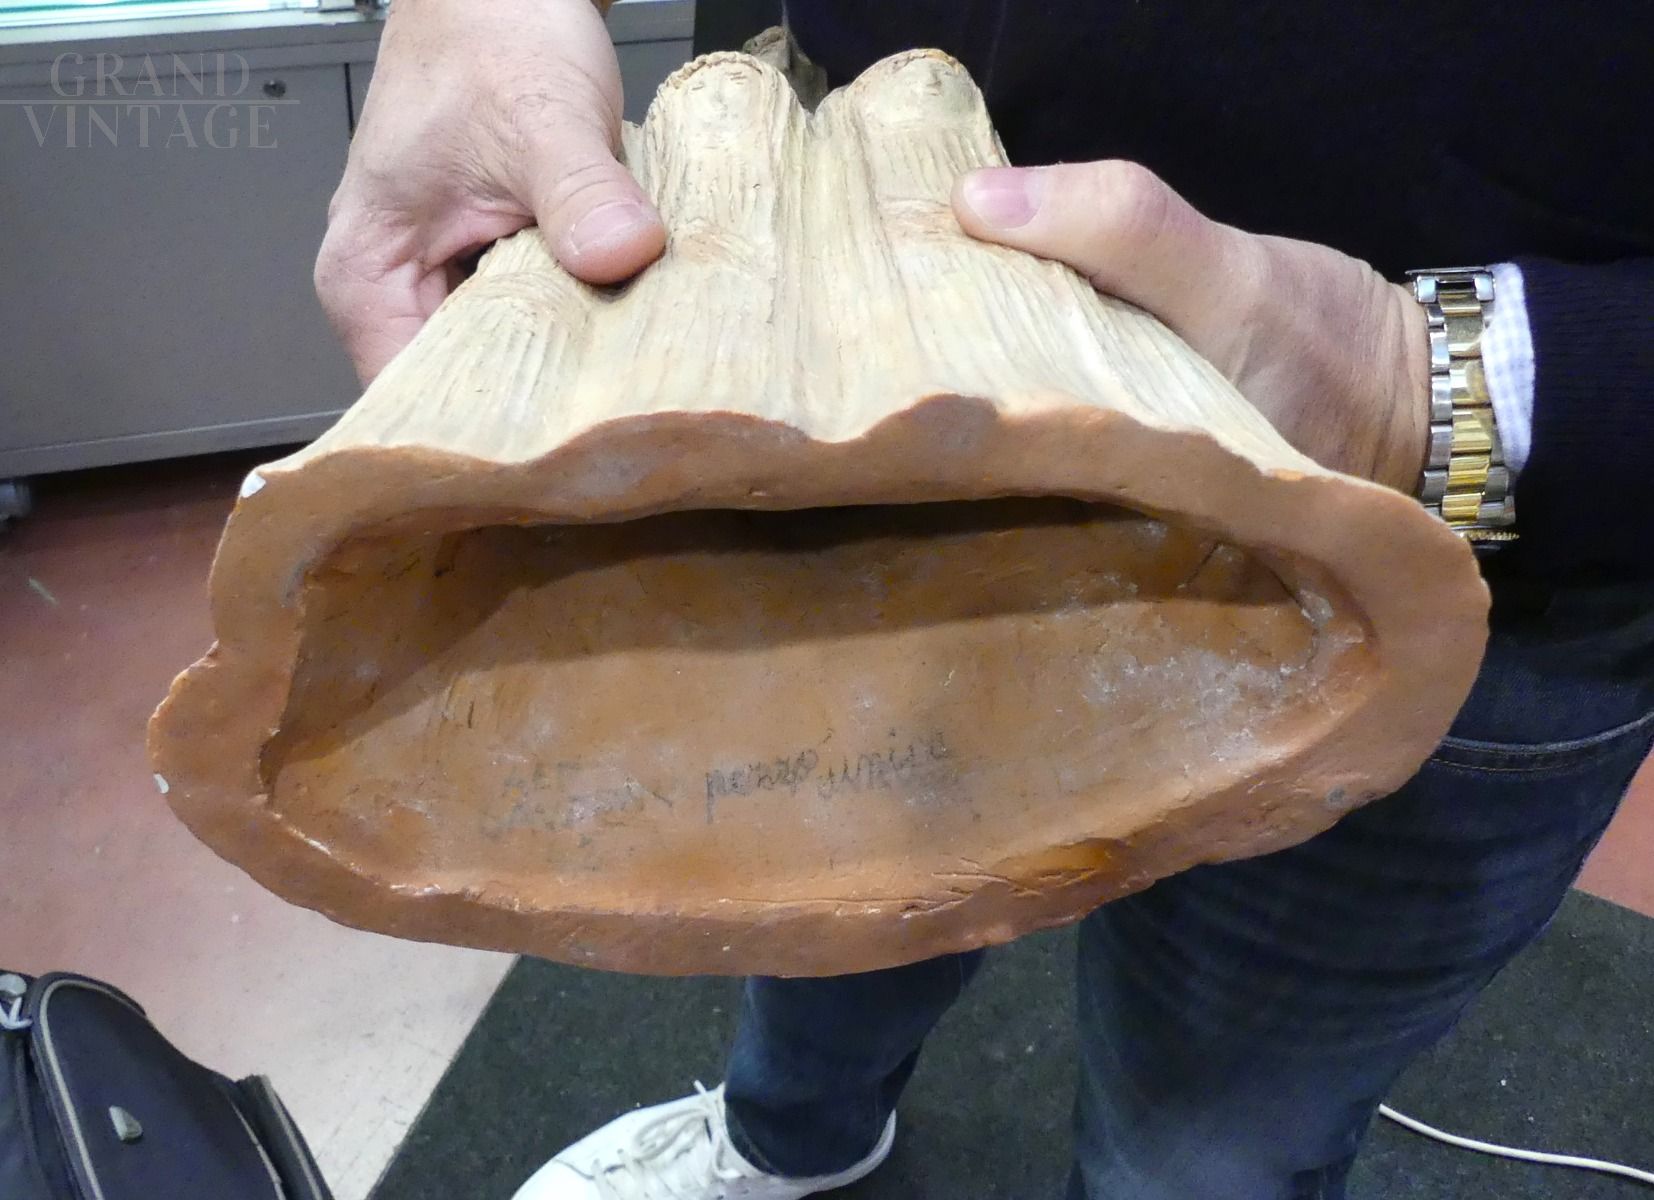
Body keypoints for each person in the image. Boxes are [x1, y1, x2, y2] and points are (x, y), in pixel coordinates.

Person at [314, 3, 1654, 1197]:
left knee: (1208, 1142)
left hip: (1425, 472)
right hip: (825, 214)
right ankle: (792, 1137)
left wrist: (1433, 382)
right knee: (819, 893)